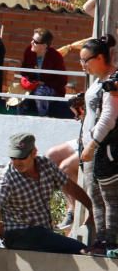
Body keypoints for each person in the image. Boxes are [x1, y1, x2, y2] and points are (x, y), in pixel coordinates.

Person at [0, 133, 92, 254]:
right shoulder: (6, 177)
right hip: (19, 235)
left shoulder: (46, 165)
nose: (17, 162)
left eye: (22, 157)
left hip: (42, 233)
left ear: (34, 153)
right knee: (80, 249)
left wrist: (91, 206)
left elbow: (69, 186)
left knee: (68, 246)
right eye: (13, 158)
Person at [78, 35, 118, 254]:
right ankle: (101, 240)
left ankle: (109, 242)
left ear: (100, 57)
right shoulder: (97, 80)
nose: (83, 65)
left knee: (109, 196)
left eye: (87, 60)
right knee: (95, 195)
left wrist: (92, 145)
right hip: (91, 147)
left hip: (106, 148)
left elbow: (109, 117)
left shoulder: (114, 79)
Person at [47, 94, 88, 230]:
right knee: (51, 156)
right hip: (84, 138)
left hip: (98, 141)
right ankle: (68, 206)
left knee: (65, 168)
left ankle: (74, 211)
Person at [19, 28, 71, 118]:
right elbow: (23, 71)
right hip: (33, 85)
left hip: (51, 88)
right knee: (18, 90)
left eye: (35, 41)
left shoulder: (55, 56)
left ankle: (43, 117)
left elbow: (62, 81)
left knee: (40, 91)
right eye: (32, 39)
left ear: (44, 45)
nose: (31, 42)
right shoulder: (29, 51)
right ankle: (20, 117)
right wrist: (28, 81)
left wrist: (44, 83)